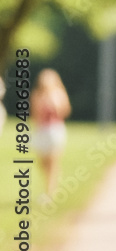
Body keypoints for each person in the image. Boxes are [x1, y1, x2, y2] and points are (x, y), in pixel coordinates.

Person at [31, 68, 71, 198]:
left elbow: (65, 112)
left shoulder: (58, 94)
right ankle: (50, 185)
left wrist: (55, 104)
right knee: (42, 163)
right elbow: (34, 114)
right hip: (42, 130)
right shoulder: (37, 94)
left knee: (53, 161)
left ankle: (50, 191)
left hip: (55, 130)